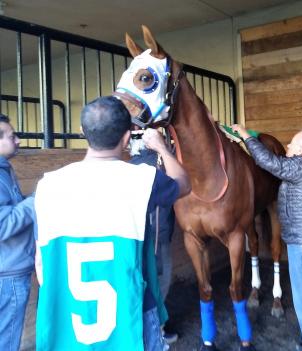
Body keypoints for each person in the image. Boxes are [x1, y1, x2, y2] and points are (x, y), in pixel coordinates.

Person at [34, 96, 190, 351]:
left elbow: (41, 263)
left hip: (71, 320)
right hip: (133, 314)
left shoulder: (47, 186)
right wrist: (162, 148)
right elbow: (183, 183)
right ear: (128, 137)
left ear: (82, 132)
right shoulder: (142, 180)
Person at [232, 125, 302, 351]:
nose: (287, 146)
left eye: (292, 143)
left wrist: (247, 137)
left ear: (301, 149)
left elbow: (271, 163)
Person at [130, 140, 179, 345]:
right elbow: (181, 184)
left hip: (134, 237)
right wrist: (166, 150)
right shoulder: (157, 165)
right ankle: (157, 327)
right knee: (160, 279)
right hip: (157, 235)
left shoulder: (131, 164)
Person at [0, 114, 35, 351]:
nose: (19, 140)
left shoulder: (4, 170)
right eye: (12, 136)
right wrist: (37, 199)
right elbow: (3, 225)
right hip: (8, 274)